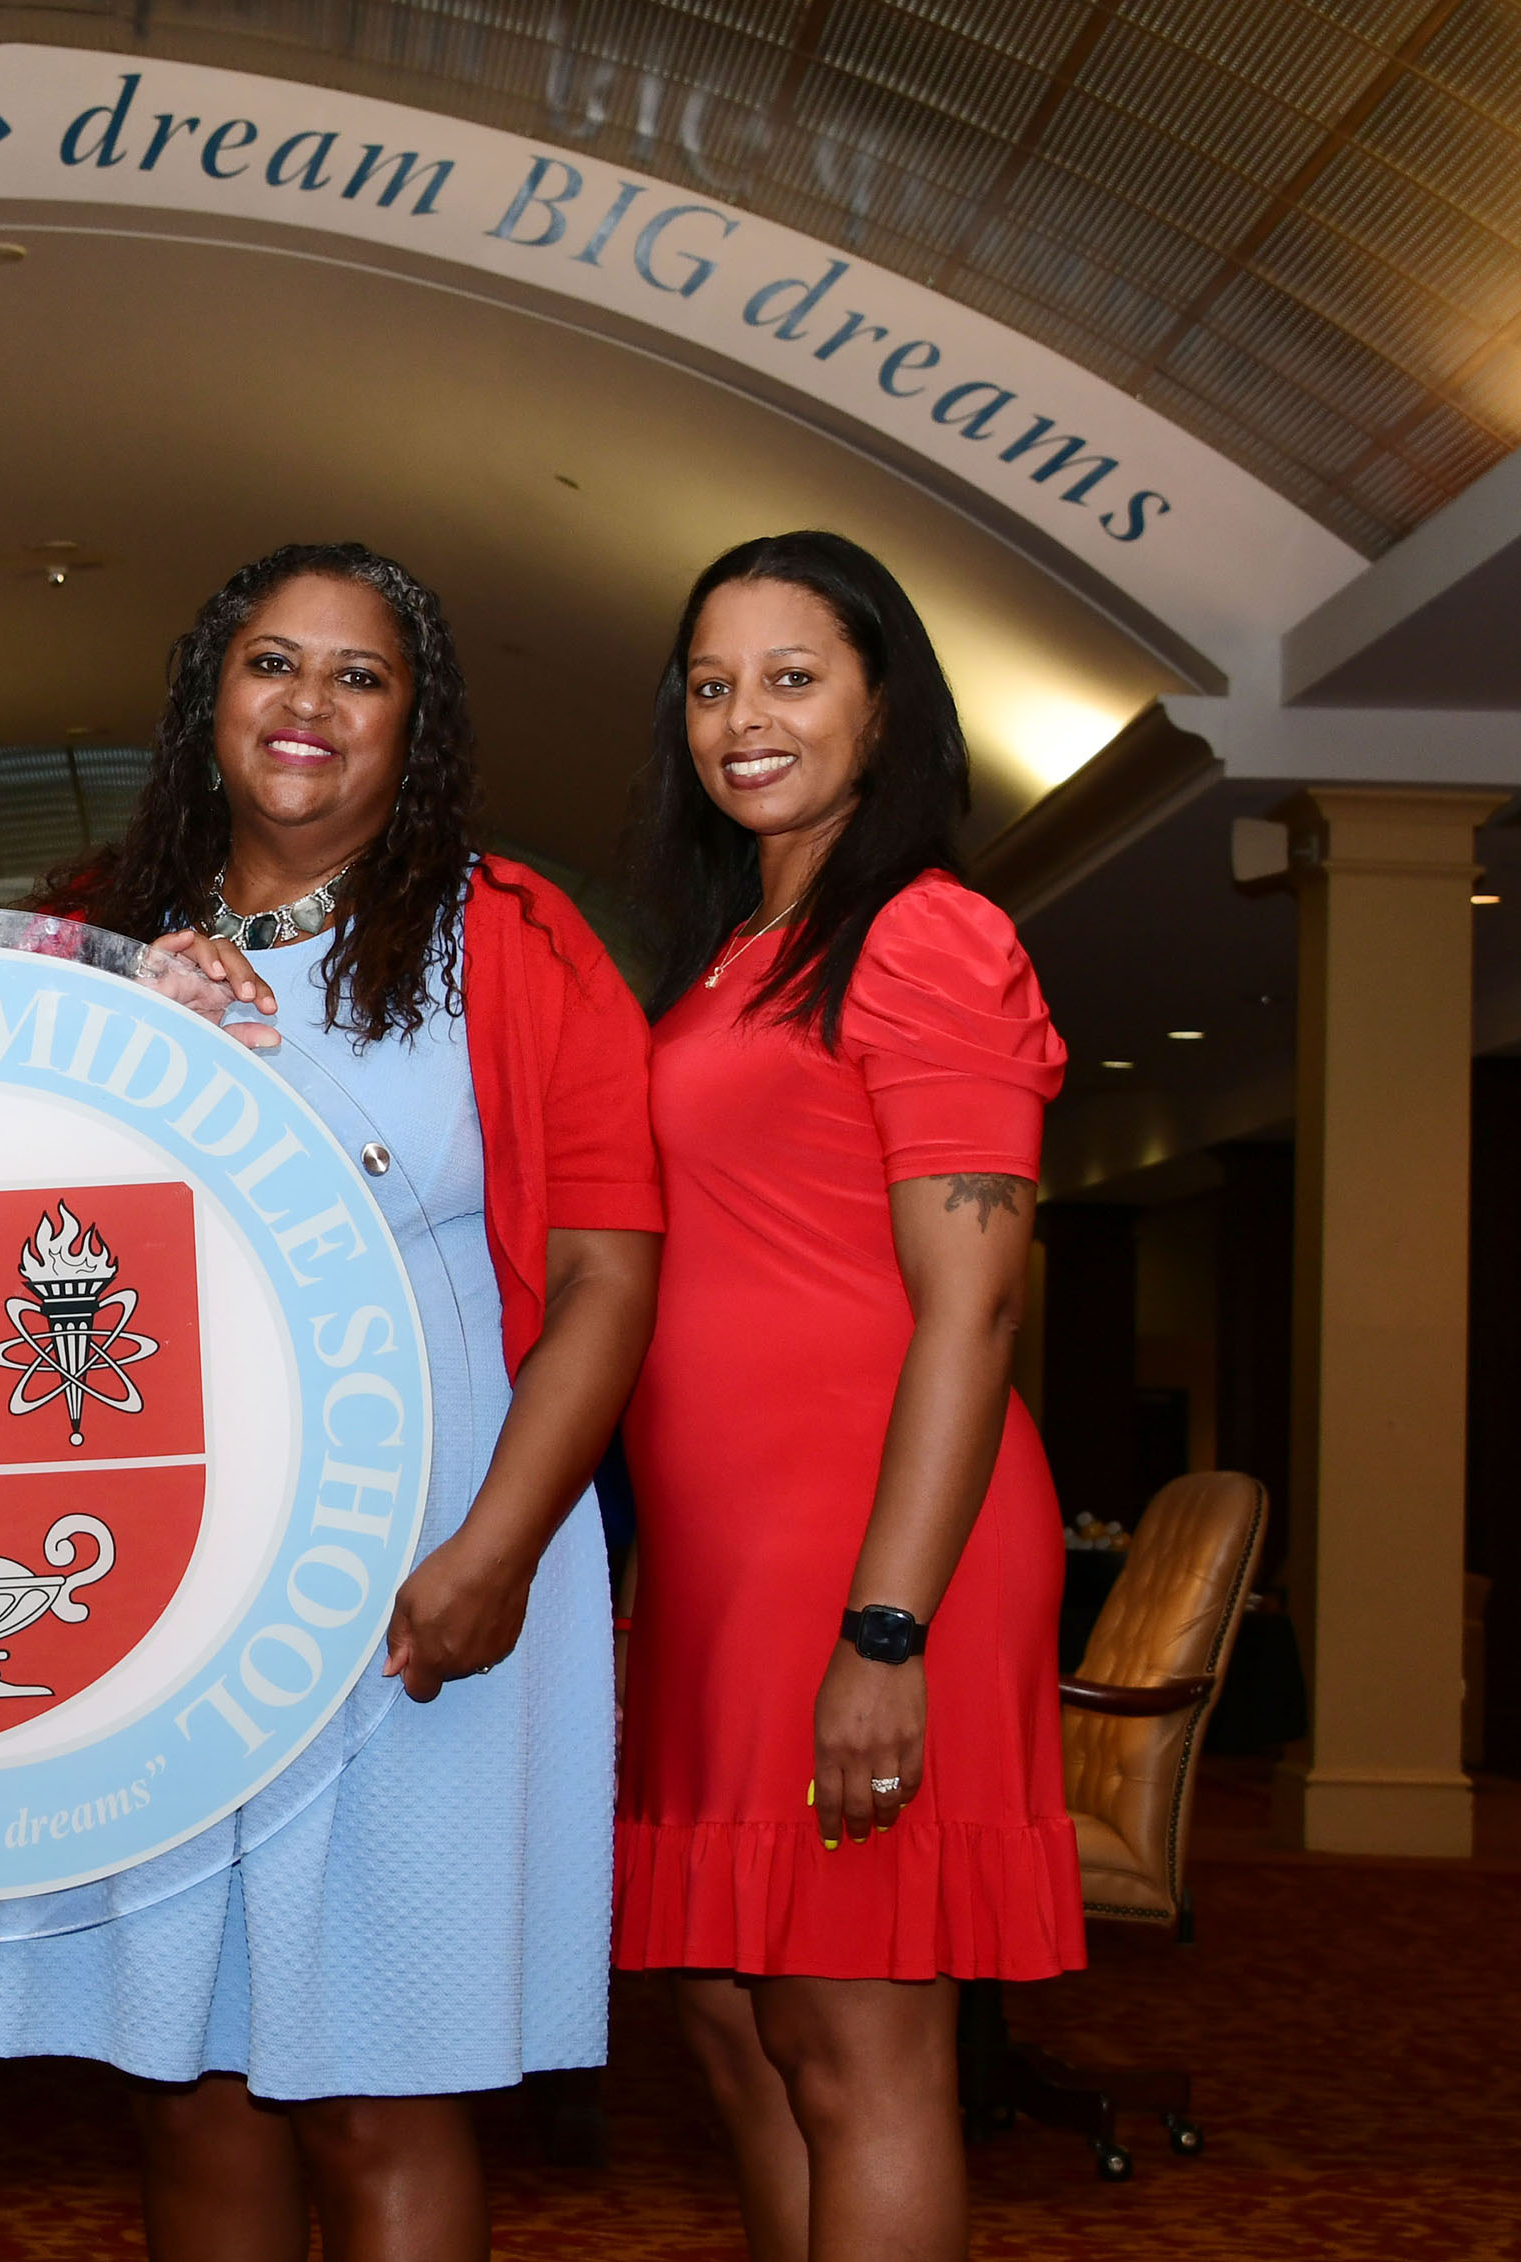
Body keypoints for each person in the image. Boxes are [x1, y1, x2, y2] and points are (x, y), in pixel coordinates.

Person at [0, 543, 663, 2262]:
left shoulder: (520, 940)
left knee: (381, 2087)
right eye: (274, 663)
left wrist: (498, 1544)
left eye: (360, 674)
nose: (310, 706)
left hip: (434, 1562)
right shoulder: (93, 928)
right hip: (172, 1562)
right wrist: (116, 1017)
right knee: (183, 2077)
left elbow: (606, 1282)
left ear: (418, 725)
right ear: (210, 699)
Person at [616, 530, 1081, 2262]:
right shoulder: (744, 951)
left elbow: (976, 1308)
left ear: (886, 710)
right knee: (740, 2031)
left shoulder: (928, 934)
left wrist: (887, 1628)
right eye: (714, 684)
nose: (744, 718)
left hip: (882, 1555)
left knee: (857, 2042)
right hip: (730, 1578)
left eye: (793, 678)